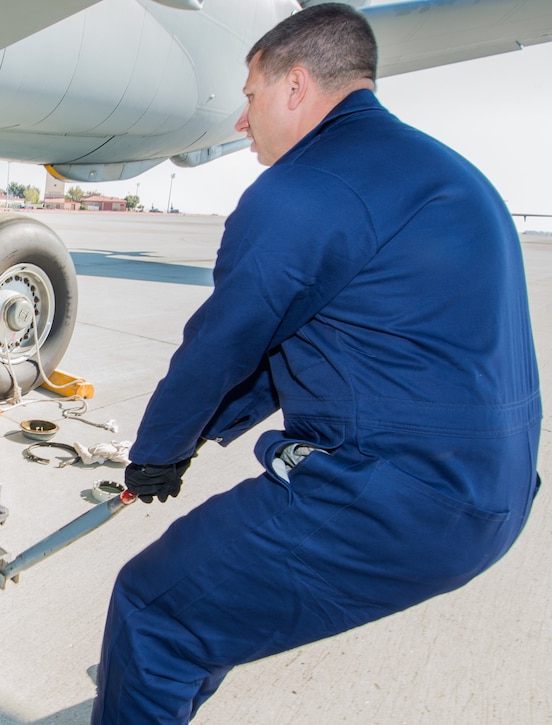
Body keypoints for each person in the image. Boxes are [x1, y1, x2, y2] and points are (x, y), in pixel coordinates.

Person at [91, 5, 541, 723]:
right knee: (206, 595)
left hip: (394, 496)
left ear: (295, 85)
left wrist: (156, 451)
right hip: (497, 490)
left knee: (153, 609)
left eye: (250, 95)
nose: (241, 122)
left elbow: (223, 345)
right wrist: (193, 440)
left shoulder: (300, 189)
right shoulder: (448, 172)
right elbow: (307, 350)